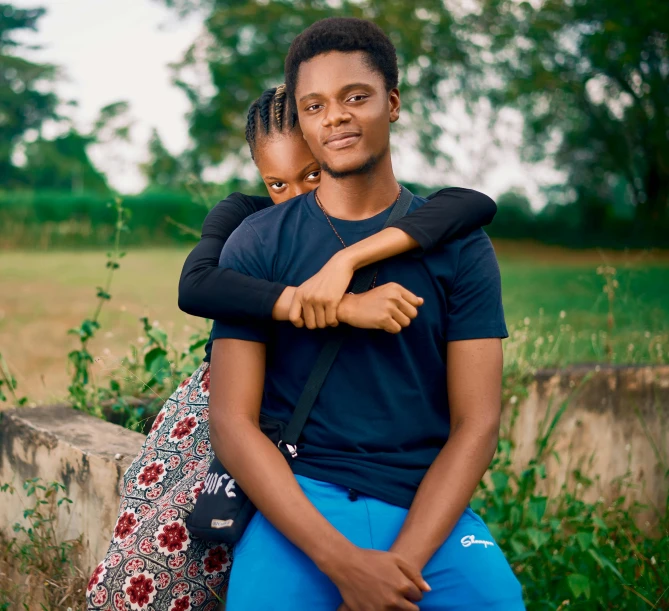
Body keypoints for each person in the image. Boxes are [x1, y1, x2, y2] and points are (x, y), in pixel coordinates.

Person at [86, 84, 498, 611]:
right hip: (231, 401)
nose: (297, 195)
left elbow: (473, 203)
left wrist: (348, 261)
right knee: (160, 561)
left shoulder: (384, 219)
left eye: (310, 174)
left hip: (314, 424)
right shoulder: (253, 221)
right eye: (277, 183)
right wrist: (340, 306)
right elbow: (197, 285)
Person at [208, 17, 525, 611]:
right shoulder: (256, 244)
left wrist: (397, 569)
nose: (336, 117)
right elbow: (231, 421)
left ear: (393, 103)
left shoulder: (460, 246)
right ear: (301, 120)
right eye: (315, 105)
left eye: (356, 96)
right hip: (299, 504)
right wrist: (344, 565)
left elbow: (477, 425)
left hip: (424, 504)